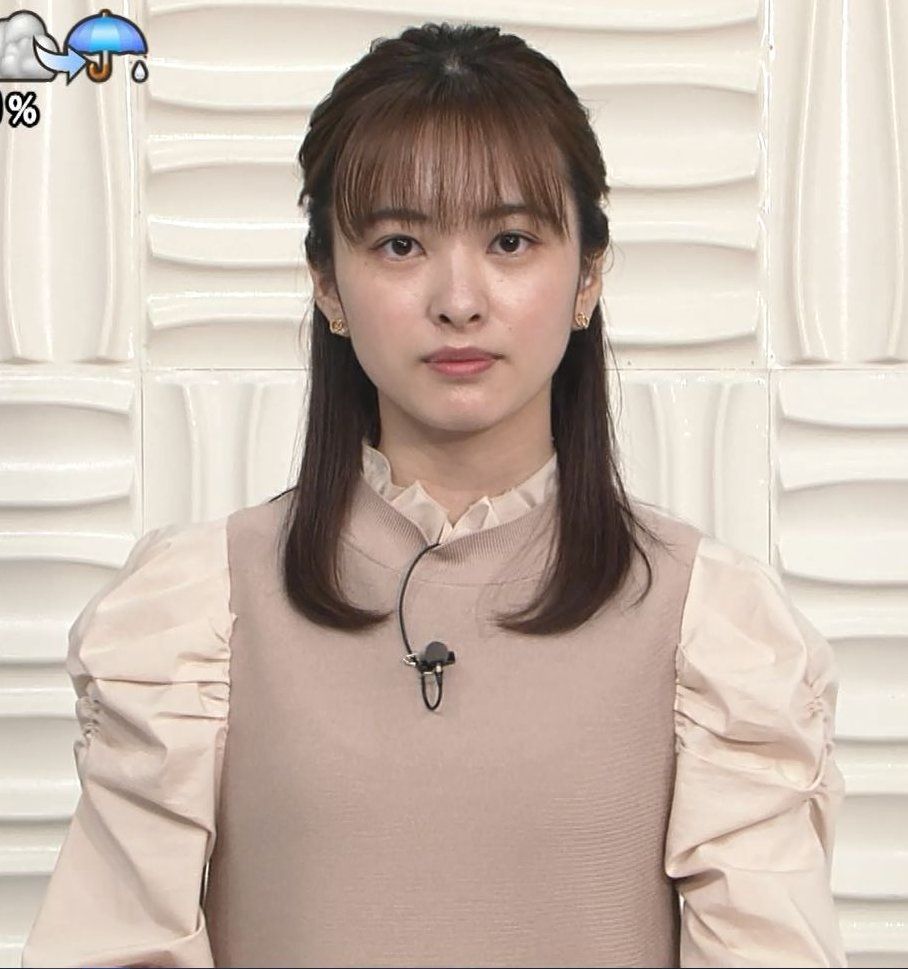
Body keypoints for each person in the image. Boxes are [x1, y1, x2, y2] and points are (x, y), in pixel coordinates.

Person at [21, 21, 847, 969]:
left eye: (510, 240)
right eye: (401, 243)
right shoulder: (194, 615)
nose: (459, 298)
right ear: (328, 285)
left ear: (588, 276)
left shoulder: (714, 629)